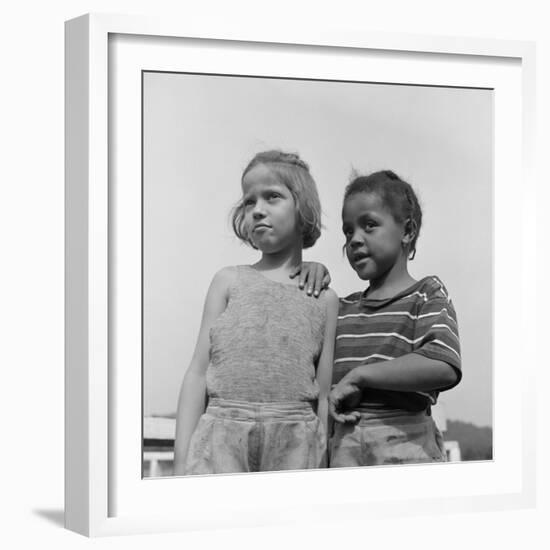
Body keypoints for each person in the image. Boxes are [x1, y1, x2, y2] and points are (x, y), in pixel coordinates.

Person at [173, 150, 339, 475]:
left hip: (297, 440)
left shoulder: (324, 298)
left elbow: (323, 394)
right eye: (250, 202)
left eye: (272, 197)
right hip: (220, 434)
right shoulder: (227, 281)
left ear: (302, 207)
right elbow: (196, 373)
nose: (258, 210)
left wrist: (325, 468)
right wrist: (181, 461)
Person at [298, 170, 462, 466]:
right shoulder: (341, 308)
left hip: (410, 445)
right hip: (342, 448)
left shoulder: (426, 294)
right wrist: (304, 272)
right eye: (348, 232)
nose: (354, 240)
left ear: (407, 231)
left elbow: (443, 364)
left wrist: (362, 375)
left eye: (369, 225)